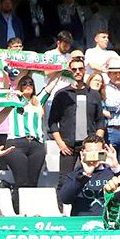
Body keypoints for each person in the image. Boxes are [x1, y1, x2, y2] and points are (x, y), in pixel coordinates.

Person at [48, 56, 105, 198]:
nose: (77, 72)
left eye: (80, 69)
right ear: (69, 71)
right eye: (74, 69)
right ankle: (62, 214)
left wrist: (97, 143)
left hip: (90, 147)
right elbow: (52, 122)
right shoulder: (61, 94)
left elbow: (100, 122)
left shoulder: (94, 94)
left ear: (84, 70)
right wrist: (61, 144)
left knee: (92, 178)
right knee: (64, 181)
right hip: (68, 146)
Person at [0, 73, 51, 210]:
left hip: (36, 144)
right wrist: (5, 72)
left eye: (30, 83)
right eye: (24, 84)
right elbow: (5, 89)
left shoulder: (38, 100)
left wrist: (61, 68)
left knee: (33, 181)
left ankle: (31, 210)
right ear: (20, 86)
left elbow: (52, 84)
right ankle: (17, 209)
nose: (28, 86)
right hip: (17, 142)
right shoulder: (14, 99)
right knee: (21, 179)